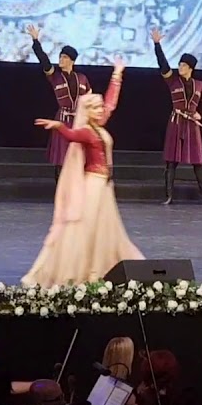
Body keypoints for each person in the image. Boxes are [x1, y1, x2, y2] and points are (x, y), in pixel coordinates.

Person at [23, 61, 143, 286]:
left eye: (99, 108)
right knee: (86, 227)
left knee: (103, 228)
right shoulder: (87, 131)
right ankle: (81, 268)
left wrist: (117, 75)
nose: (100, 111)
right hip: (93, 184)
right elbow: (71, 135)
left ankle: (102, 267)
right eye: (95, 108)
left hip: (104, 186)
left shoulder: (98, 126)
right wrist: (58, 126)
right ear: (87, 112)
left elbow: (110, 104)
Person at [151, 29, 202, 205]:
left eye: (183, 65)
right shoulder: (173, 81)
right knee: (171, 161)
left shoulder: (199, 85)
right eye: (179, 64)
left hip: (192, 125)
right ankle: (169, 196)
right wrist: (157, 44)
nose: (180, 67)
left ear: (190, 68)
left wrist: (201, 113)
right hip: (176, 122)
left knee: (198, 161)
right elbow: (163, 64)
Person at [26, 24, 91, 179]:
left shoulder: (82, 78)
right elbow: (43, 60)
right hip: (62, 120)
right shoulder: (55, 76)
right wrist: (36, 41)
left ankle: (77, 187)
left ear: (72, 61)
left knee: (79, 156)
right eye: (60, 56)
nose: (61, 59)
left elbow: (90, 99)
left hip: (79, 121)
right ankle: (60, 188)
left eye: (64, 57)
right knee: (60, 158)